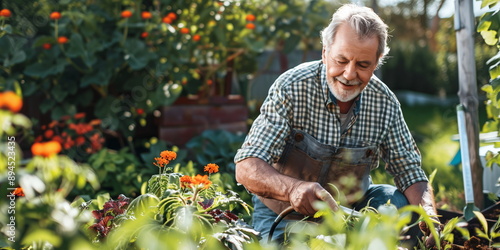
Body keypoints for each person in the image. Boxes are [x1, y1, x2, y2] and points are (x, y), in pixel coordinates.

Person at [234, 3, 439, 247]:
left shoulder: (385, 103)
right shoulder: (292, 87)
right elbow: (247, 165)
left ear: (377, 62)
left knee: (392, 202)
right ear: (324, 52)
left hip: (350, 212)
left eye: (363, 65)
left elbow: (409, 171)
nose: (349, 74)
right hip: (283, 211)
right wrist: (293, 190)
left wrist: (430, 215)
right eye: (341, 60)